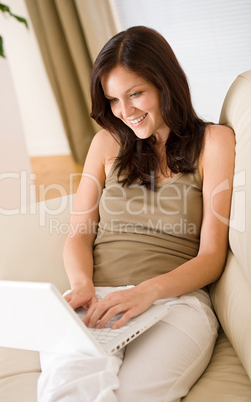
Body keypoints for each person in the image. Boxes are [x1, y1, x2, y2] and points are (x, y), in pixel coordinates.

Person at [38, 26, 235, 401]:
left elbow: (212, 257)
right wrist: (82, 285)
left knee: (135, 395)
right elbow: (79, 232)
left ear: (166, 84)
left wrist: (147, 291)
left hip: (174, 302)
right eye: (113, 99)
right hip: (97, 298)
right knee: (65, 391)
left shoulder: (214, 142)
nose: (125, 112)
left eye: (136, 94)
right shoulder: (105, 144)